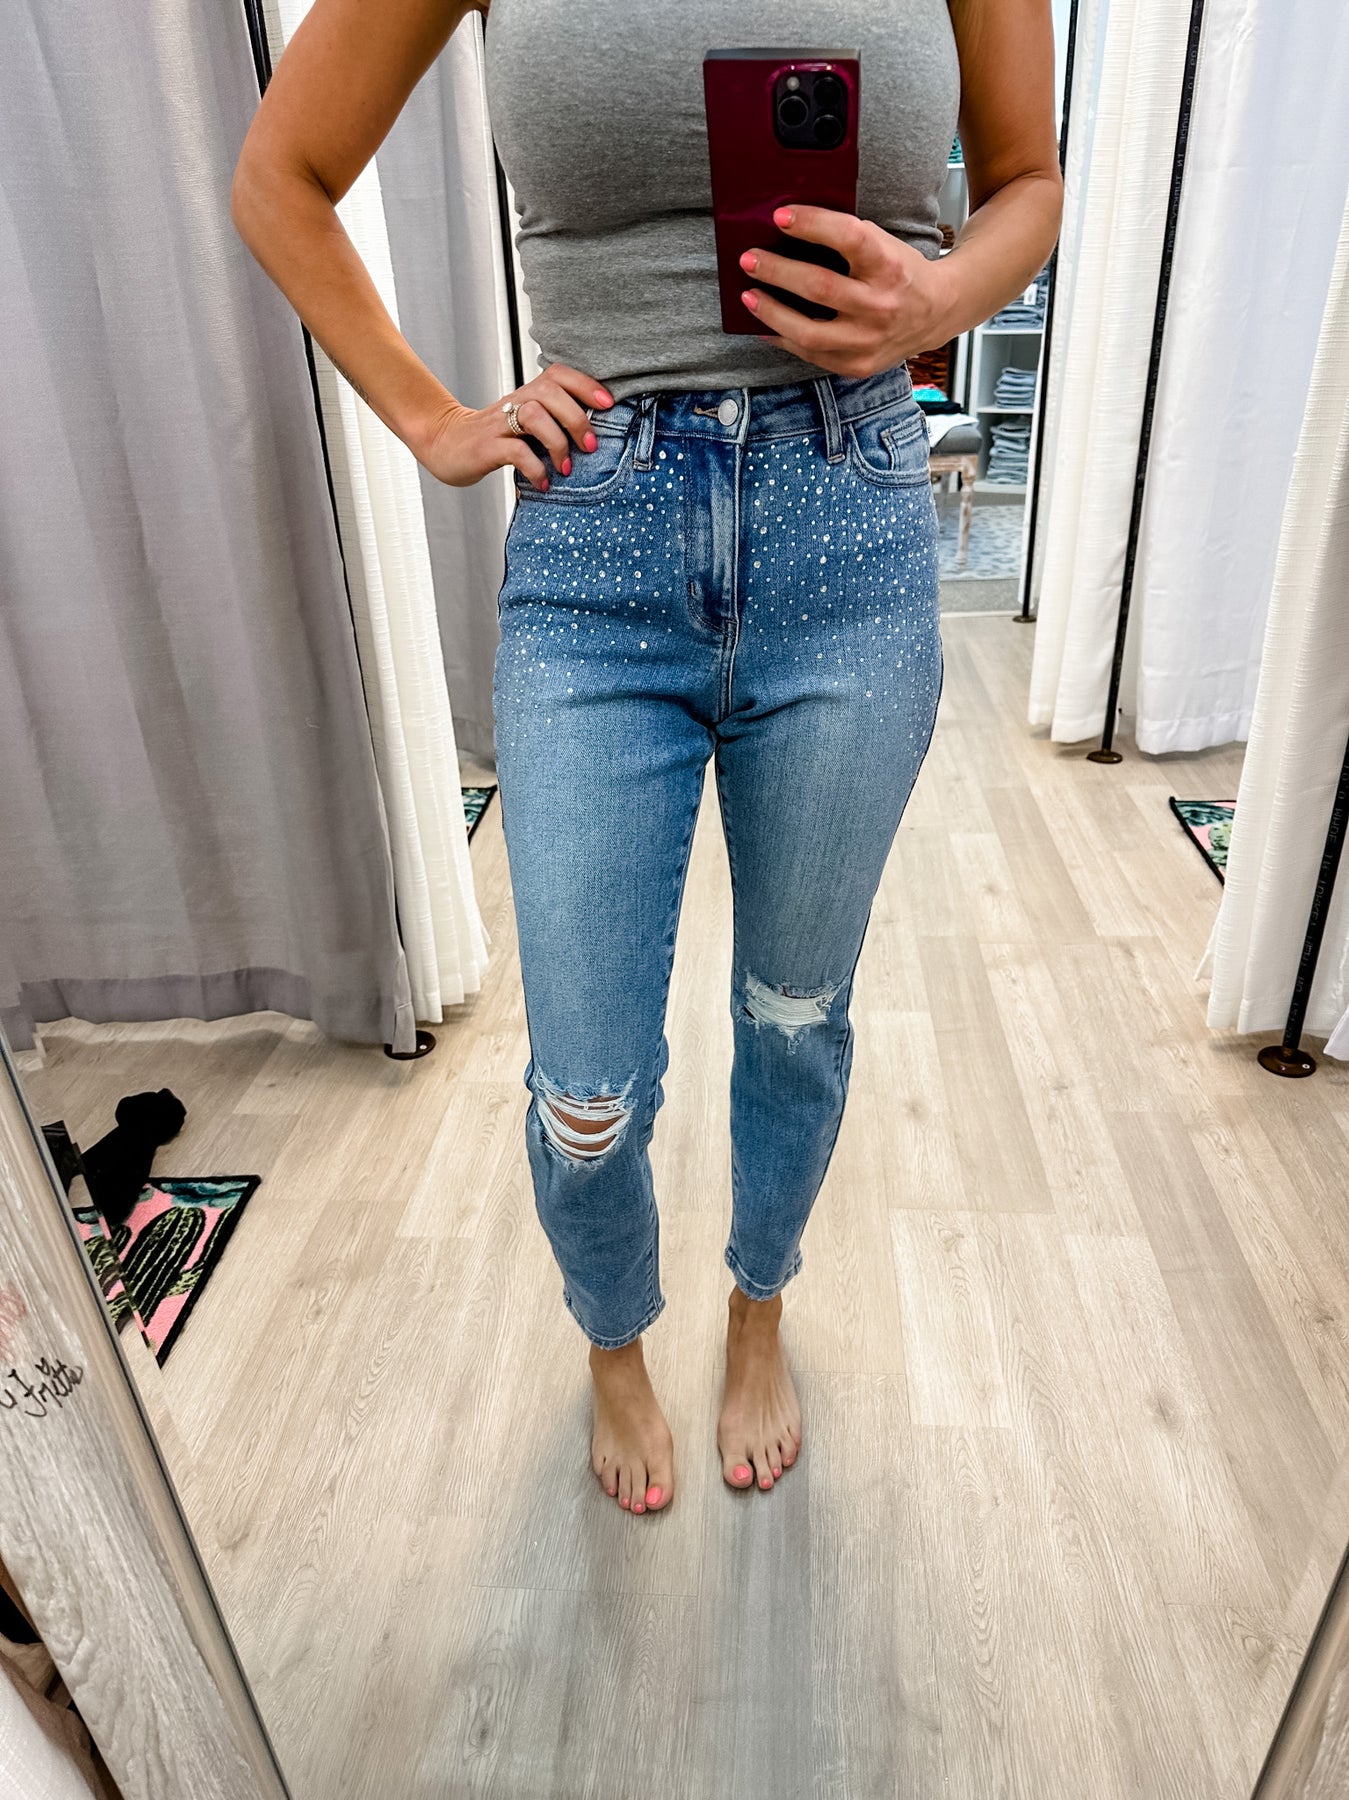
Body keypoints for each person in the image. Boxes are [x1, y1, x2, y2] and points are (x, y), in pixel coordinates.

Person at [233, 0, 1062, 1518]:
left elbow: (1028, 182)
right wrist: (435, 420)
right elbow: (280, 173)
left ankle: (759, 1304)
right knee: (585, 1086)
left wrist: (937, 298)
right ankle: (613, 1338)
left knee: (796, 1015)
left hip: (851, 520)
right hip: (596, 538)